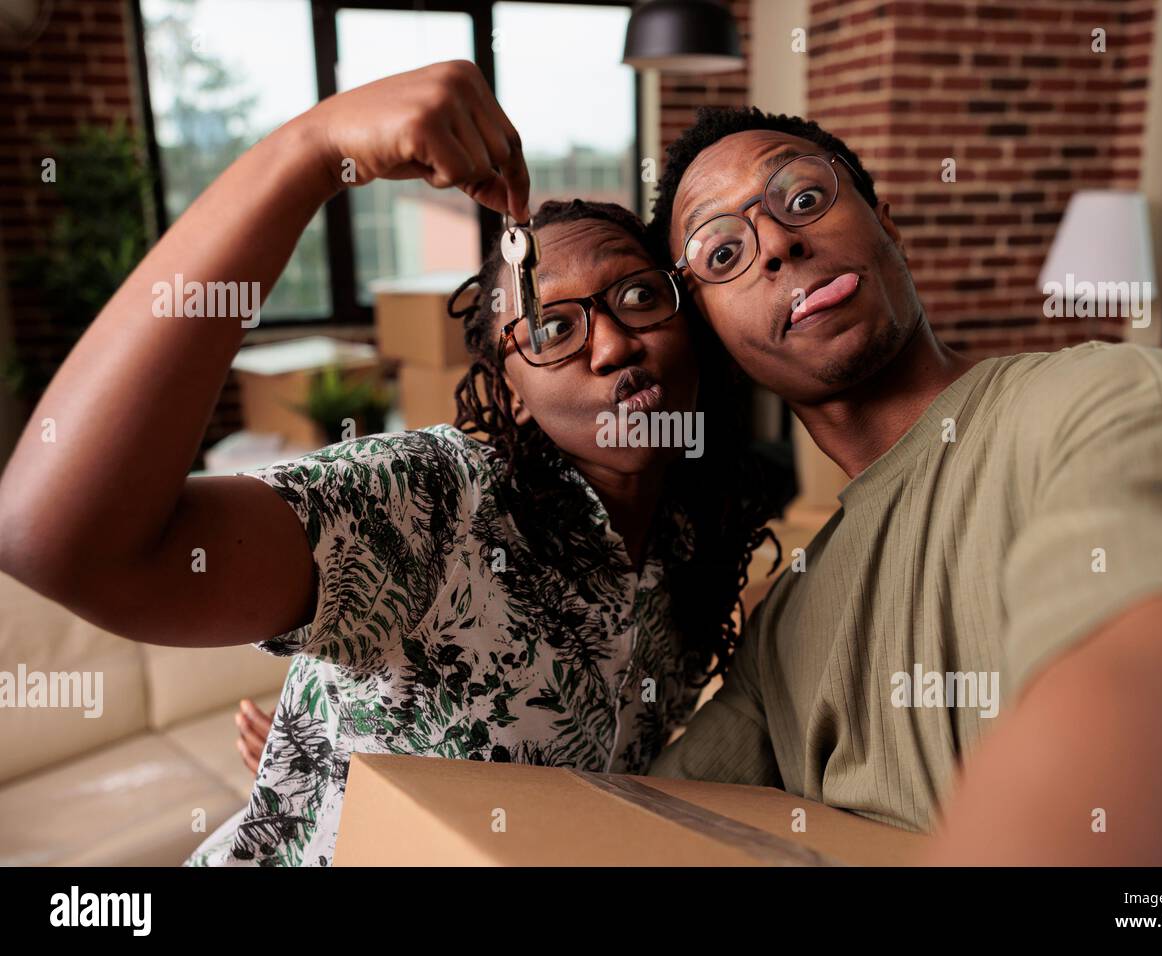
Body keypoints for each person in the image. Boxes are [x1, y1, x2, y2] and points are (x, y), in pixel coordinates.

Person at [0, 63, 776, 866]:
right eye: (551, 331)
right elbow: (60, 541)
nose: (613, 343)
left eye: (640, 299)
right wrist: (309, 150)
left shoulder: (694, 544)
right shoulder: (438, 501)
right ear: (510, 396)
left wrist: (342, 744)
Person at [641, 106, 1162, 864]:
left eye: (802, 198)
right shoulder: (785, 625)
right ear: (718, 343)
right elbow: (648, 827)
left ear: (887, 224)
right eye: (722, 252)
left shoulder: (1103, 400)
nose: (779, 245)